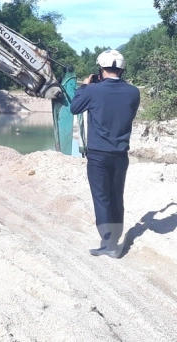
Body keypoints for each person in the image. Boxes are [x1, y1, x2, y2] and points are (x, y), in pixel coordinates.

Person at [70, 49, 140, 258]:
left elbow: (75, 108)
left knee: (102, 198)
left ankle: (108, 243)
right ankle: (114, 240)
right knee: (116, 196)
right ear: (122, 69)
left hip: (98, 154)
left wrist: (85, 86)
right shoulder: (133, 92)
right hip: (121, 154)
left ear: (100, 69)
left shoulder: (93, 91)